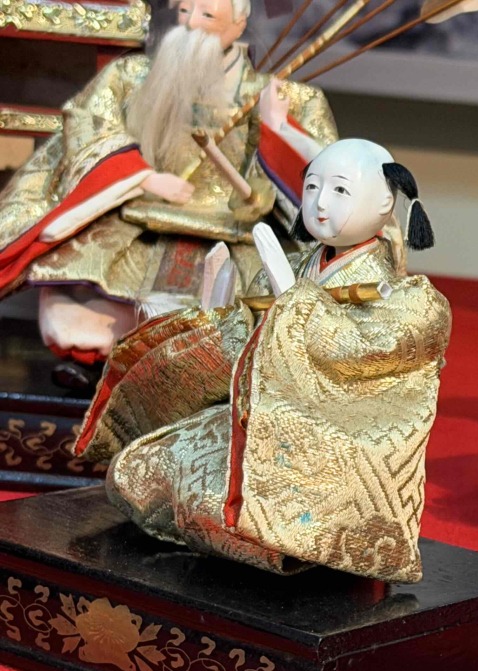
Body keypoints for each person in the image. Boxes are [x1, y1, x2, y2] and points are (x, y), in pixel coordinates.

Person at [75, 139, 449, 583]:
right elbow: (244, 343)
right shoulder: (290, 266)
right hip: (255, 419)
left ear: (385, 202)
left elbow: (352, 358)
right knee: (139, 472)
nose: (320, 203)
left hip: (329, 444)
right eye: (312, 187)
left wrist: (297, 306)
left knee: (227, 507)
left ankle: (286, 539)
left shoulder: (411, 304)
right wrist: (220, 317)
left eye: (340, 190)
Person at [0, 0, 337, 383]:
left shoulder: (283, 96)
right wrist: (143, 178)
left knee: (236, 317)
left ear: (239, 23)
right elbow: (88, 126)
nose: (191, 23)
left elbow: (325, 179)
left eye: (207, 15)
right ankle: (104, 367)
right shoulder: (130, 76)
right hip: (140, 223)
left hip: (230, 236)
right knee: (81, 302)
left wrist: (280, 128)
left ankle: (187, 377)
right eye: (184, 11)